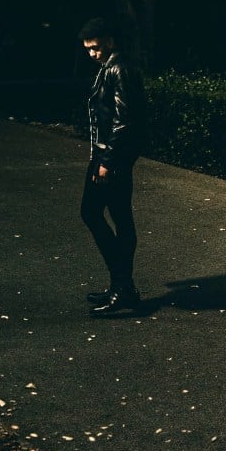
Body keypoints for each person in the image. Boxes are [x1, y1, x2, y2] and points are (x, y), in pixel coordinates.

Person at [78, 16, 147, 314]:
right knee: (118, 216)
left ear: (109, 41)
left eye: (95, 47)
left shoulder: (119, 69)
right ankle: (121, 286)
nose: (92, 54)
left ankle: (123, 286)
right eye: (88, 49)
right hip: (110, 155)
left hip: (111, 157)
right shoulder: (112, 67)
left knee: (93, 213)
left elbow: (124, 120)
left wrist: (106, 161)